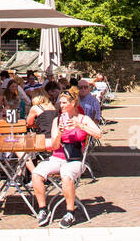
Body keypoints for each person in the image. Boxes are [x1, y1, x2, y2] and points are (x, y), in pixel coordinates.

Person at [30, 88, 101, 228]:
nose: (61, 106)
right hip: (58, 157)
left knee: (66, 174)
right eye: (60, 103)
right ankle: (43, 209)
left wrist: (79, 125)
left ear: (73, 103)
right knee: (36, 173)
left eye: (63, 103)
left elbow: (98, 134)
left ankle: (70, 212)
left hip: (75, 159)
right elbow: (55, 145)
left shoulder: (83, 118)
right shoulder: (57, 120)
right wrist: (59, 134)